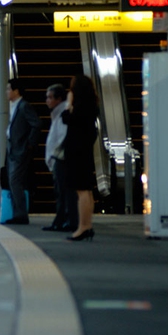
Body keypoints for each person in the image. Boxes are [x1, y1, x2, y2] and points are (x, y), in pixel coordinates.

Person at [62, 75, 99, 241]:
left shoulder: (80, 108)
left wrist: (68, 103)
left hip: (77, 153)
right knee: (87, 190)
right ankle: (87, 225)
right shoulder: (91, 106)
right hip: (84, 152)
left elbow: (66, 119)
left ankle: (83, 227)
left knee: (81, 190)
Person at [4, 79, 42, 223]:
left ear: (16, 91)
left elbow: (36, 123)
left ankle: (20, 214)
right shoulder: (14, 106)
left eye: (9, 89)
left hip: (20, 150)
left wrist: (30, 144)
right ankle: (17, 213)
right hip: (13, 149)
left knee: (15, 181)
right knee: (13, 181)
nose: (7, 92)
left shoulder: (23, 106)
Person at [43, 83, 76, 232]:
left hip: (61, 158)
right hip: (59, 158)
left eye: (50, 97)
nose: (47, 101)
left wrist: (54, 155)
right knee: (62, 192)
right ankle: (63, 219)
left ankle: (65, 220)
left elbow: (61, 137)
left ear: (59, 99)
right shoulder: (58, 113)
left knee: (63, 192)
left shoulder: (62, 113)